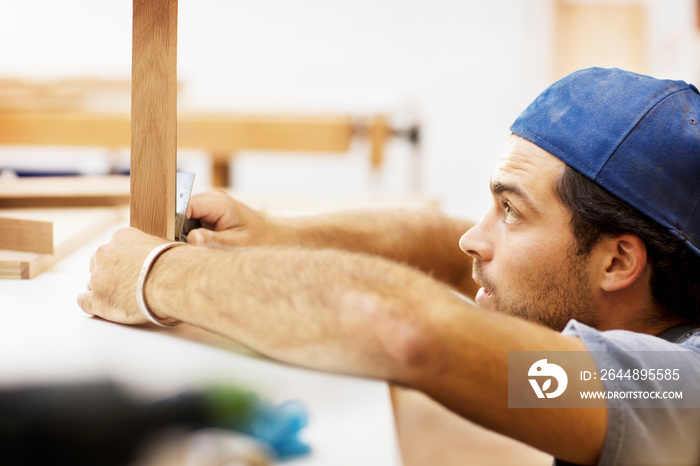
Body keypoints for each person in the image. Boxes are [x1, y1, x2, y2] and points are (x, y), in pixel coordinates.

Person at [78, 67, 700, 465]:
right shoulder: (631, 316)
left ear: (617, 260)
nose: (472, 241)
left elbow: (409, 332)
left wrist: (158, 274)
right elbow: (440, 242)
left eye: (510, 211)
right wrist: (279, 236)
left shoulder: (674, 389)